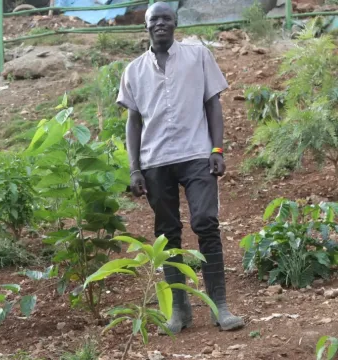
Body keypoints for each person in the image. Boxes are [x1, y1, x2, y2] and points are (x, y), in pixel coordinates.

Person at [116, 2, 244, 334]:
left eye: (166, 18)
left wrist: (217, 148)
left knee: (205, 222)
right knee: (167, 233)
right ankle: (179, 312)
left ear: (176, 23)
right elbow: (133, 122)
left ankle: (221, 308)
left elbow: (212, 103)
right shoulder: (133, 71)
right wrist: (134, 169)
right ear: (145, 26)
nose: (160, 24)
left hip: (197, 154)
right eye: (154, 19)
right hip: (155, 161)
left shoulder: (198, 56)